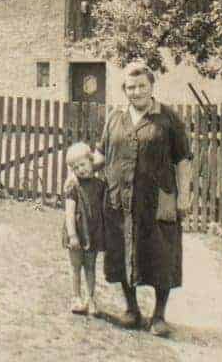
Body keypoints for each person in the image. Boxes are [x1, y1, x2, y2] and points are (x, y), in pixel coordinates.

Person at [80, 62, 192, 336]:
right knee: (121, 251)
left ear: (152, 86)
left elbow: (183, 161)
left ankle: (159, 316)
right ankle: (131, 309)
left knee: (161, 254)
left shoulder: (168, 118)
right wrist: (80, 169)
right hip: (120, 200)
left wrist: (184, 196)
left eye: (142, 85)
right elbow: (102, 155)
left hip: (157, 201)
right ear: (124, 90)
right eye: (131, 87)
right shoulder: (115, 117)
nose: (137, 91)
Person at [62, 141, 106, 316]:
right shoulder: (73, 186)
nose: (80, 169)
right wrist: (72, 235)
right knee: (75, 266)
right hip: (77, 233)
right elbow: (69, 213)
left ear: (91, 161)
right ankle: (76, 297)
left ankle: (91, 298)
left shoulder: (99, 185)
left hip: (92, 233)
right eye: (75, 167)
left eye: (83, 164)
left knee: (90, 267)